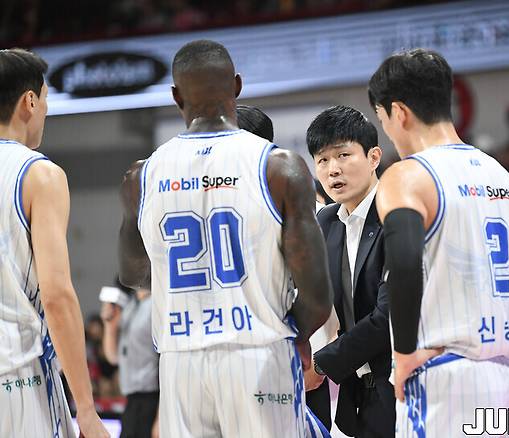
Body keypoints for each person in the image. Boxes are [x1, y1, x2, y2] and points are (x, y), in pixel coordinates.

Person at [368, 48, 509, 437]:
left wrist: (403, 355)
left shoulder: (406, 176)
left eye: (382, 119)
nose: (387, 130)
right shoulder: (503, 177)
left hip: (441, 378)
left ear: (399, 113)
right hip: (503, 381)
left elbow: (403, 263)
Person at [118, 40, 333, 438]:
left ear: (176, 96)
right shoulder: (279, 167)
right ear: (236, 85)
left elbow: (133, 274)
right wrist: (296, 333)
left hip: (180, 362)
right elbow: (318, 296)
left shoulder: (141, 176)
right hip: (258, 352)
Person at [0, 48, 109, 438]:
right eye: (45, 99)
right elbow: (57, 295)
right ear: (29, 101)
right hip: (18, 378)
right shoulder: (39, 174)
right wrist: (86, 410)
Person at [236, 103, 333, 438]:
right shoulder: (229, 207)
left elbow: (322, 293)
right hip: (245, 359)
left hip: (304, 362)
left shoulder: (308, 210)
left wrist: (315, 359)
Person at [305, 105, 395, 437]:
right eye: (322, 160)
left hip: (404, 385)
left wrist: (321, 363)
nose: (333, 170)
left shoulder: (396, 214)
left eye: (343, 155)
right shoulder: (326, 221)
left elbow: (389, 316)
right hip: (357, 397)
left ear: (373, 157)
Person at [101, 279, 160, 438]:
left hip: (152, 399)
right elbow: (114, 358)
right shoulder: (130, 304)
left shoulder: (156, 304)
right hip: (131, 400)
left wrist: (160, 416)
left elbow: (166, 365)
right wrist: (110, 326)